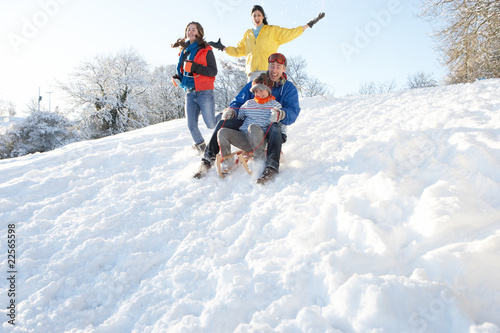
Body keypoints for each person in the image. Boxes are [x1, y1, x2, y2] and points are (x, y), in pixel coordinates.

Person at [194, 53, 299, 185]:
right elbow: (239, 101)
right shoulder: (257, 83)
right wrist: (232, 110)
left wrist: (282, 114)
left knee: (275, 127)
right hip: (250, 126)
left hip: (271, 129)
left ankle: (271, 167)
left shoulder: (288, 89)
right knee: (223, 123)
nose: (274, 70)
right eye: (272, 66)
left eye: (278, 66)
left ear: (284, 69)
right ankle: (207, 160)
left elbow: (293, 111)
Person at [209, 5, 325, 81]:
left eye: (259, 15)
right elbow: (239, 51)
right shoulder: (248, 34)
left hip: (268, 71)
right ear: (251, 17)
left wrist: (308, 25)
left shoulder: (272, 30)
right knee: (253, 102)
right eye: (254, 15)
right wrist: (222, 47)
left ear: (263, 16)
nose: (257, 17)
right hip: (252, 72)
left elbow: (290, 33)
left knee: (267, 100)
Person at [217, 73, 282, 175]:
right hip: (244, 139)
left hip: (260, 140)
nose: (258, 94)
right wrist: (231, 112)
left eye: (261, 90)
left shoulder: (275, 105)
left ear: (268, 90)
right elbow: (238, 117)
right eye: (256, 91)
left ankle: (259, 161)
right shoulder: (248, 104)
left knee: (253, 127)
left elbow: (279, 125)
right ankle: (227, 162)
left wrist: (277, 115)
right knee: (222, 132)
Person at [172, 21, 218, 154]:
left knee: (211, 124)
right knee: (191, 125)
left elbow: (213, 71)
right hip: (189, 92)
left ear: (199, 33)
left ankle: (226, 117)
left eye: (193, 30)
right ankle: (203, 149)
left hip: (205, 92)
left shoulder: (206, 49)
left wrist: (195, 67)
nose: (190, 32)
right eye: (188, 30)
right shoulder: (184, 52)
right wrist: (177, 79)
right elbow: (185, 72)